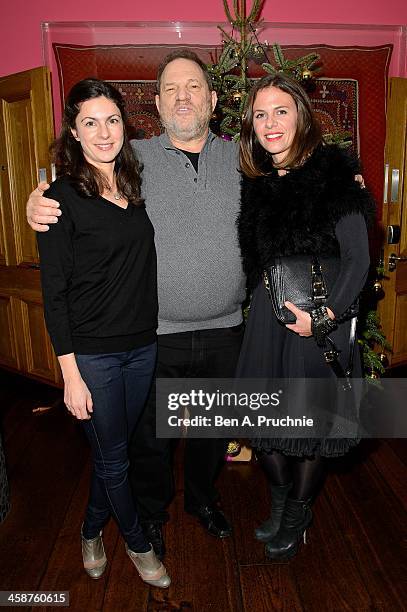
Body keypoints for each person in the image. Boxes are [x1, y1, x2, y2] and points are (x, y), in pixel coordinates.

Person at [27, 50, 246, 559]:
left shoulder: (243, 159)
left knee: (212, 432)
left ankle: (203, 499)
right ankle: (151, 513)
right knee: (151, 440)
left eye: (193, 86)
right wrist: (36, 202)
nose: (183, 96)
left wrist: (344, 185)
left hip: (226, 329)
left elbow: (294, 177)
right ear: (157, 102)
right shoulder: (132, 160)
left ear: (213, 100)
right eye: (171, 88)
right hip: (157, 334)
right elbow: (77, 185)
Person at [36, 78, 170, 587]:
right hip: (92, 356)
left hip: (141, 346)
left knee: (114, 452)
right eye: (90, 122)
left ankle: (91, 529)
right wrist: (69, 375)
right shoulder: (57, 199)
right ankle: (137, 544)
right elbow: (55, 295)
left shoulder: (134, 187)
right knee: (113, 455)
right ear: (74, 132)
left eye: (112, 119)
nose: (104, 131)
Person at [236, 73, 375, 560]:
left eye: (280, 111)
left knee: (312, 429)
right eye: (260, 114)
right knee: (262, 424)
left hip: (319, 327)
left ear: (301, 115)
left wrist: (327, 316)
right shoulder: (255, 184)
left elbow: (358, 259)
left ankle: (297, 513)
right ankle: (280, 504)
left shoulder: (334, 171)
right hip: (266, 325)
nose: (270, 123)